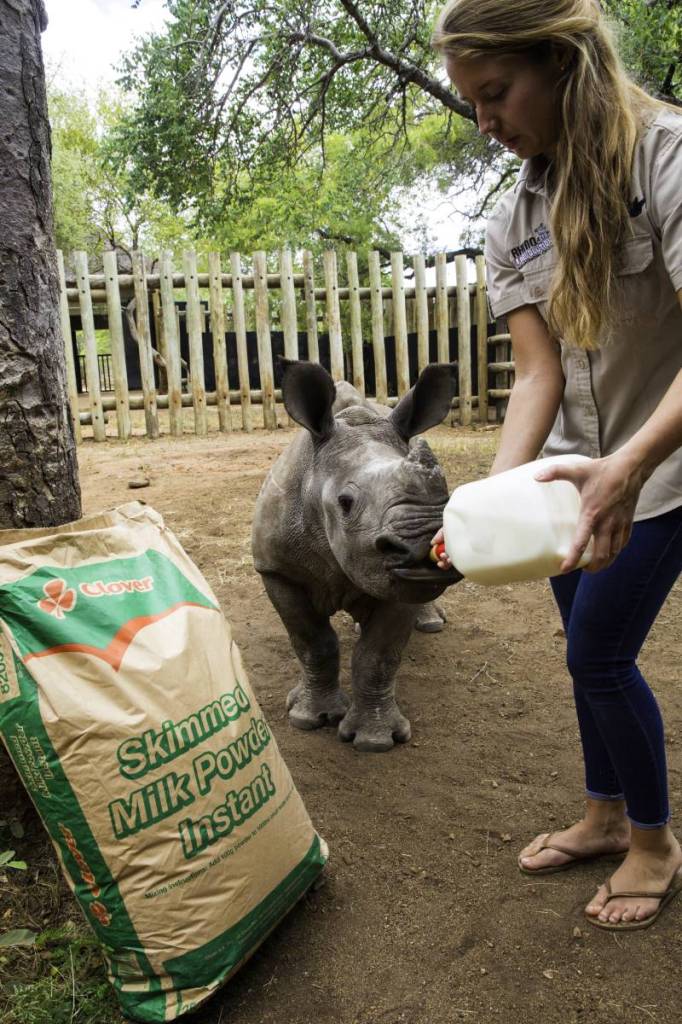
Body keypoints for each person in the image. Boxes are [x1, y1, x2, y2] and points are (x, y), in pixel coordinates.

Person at [430, 0, 682, 931]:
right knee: (587, 658)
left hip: (665, 466)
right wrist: (488, 502)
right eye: (473, 105)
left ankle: (655, 843)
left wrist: (628, 464)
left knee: (598, 652)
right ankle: (605, 816)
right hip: (576, 480)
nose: (486, 123)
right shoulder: (515, 219)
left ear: (564, 62)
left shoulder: (667, 158)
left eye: (496, 93)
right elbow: (537, 372)